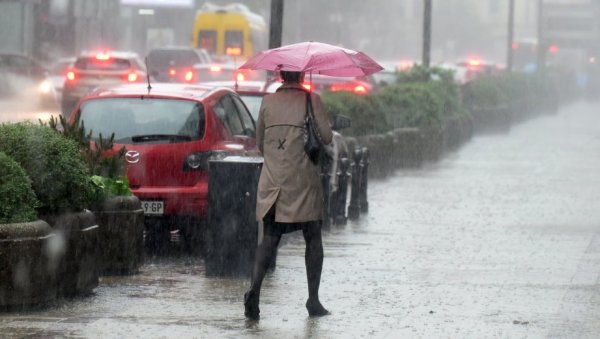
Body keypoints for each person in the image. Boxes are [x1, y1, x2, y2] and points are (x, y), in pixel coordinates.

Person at [244, 70, 333, 320]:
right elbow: (325, 137)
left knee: (270, 238)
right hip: (303, 182)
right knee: (312, 236)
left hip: (273, 183)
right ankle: (313, 300)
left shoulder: (267, 101)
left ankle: (255, 291)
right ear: (303, 74)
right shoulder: (311, 100)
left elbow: (260, 141)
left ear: (281, 74)